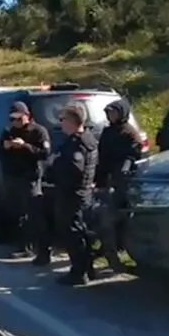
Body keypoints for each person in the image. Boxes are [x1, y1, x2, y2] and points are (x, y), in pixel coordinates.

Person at [0, 101, 52, 262]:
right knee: (18, 213)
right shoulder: (9, 131)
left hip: (30, 178)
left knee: (34, 213)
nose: (16, 122)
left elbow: (45, 153)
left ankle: (41, 248)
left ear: (27, 116)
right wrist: (5, 147)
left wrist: (25, 146)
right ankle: (23, 246)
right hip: (13, 176)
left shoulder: (38, 131)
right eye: (13, 119)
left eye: (19, 119)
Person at [48, 104, 99, 285]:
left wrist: (55, 163)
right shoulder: (88, 138)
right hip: (82, 193)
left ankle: (78, 273)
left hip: (72, 194)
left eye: (63, 119)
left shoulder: (76, 144)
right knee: (82, 232)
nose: (61, 123)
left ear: (71, 121)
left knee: (73, 234)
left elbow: (75, 169)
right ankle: (87, 268)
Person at [95, 99, 142, 272]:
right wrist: (98, 181)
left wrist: (125, 168)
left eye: (114, 112)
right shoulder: (107, 132)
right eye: (109, 113)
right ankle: (110, 255)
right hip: (108, 181)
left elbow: (134, 154)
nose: (111, 116)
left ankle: (121, 253)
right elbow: (102, 159)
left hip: (125, 182)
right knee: (106, 220)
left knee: (121, 221)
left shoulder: (130, 133)